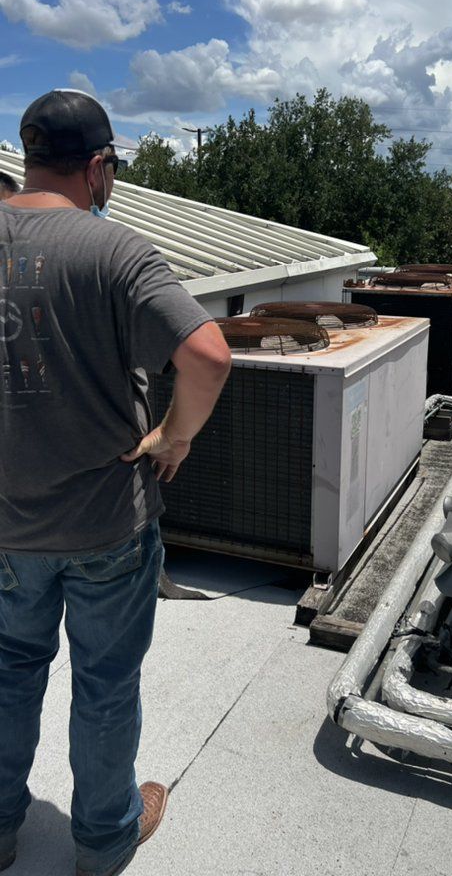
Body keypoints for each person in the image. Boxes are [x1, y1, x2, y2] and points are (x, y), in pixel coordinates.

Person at [0, 90, 231, 876]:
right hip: (107, 522)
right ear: (98, 167)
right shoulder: (117, 252)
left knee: (7, 672)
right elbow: (208, 355)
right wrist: (175, 434)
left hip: (5, 529)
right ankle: (103, 842)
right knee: (104, 682)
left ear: (27, 154)